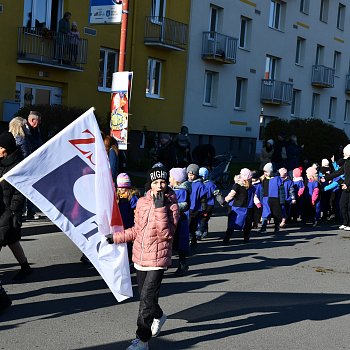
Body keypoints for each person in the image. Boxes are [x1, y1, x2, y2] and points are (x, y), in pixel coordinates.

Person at [107, 167, 179, 350]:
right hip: (140, 257)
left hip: (158, 259)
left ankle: (142, 340)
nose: (159, 186)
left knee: (146, 299)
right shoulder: (141, 202)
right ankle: (160, 316)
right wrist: (115, 238)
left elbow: (167, 235)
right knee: (146, 297)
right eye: (155, 182)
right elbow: (137, 230)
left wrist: (160, 208)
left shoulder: (171, 204)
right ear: (150, 184)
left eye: (163, 182)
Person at [0, 132, 32, 281]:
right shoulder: (2, 161)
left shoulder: (17, 166)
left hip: (8, 211)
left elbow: (20, 192)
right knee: (12, 240)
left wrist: (13, 211)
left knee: (3, 239)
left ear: (6, 148)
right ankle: (25, 267)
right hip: (1, 208)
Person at [223, 168, 258, 243]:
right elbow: (231, 194)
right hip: (237, 207)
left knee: (247, 225)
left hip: (248, 208)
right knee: (232, 224)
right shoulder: (237, 185)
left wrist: (257, 203)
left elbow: (254, 196)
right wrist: (225, 200)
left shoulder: (252, 187)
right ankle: (226, 238)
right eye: (248, 179)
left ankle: (246, 238)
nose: (248, 180)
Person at [169, 167, 191, 276]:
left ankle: (182, 265)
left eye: (171, 177)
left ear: (176, 179)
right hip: (177, 220)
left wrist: (171, 207)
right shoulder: (175, 189)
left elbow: (184, 205)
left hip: (180, 220)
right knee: (175, 242)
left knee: (179, 242)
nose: (169, 179)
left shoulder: (180, 191)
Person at [116, 173, 139, 264]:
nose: (122, 190)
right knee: (119, 242)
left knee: (128, 243)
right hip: (119, 224)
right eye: (120, 188)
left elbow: (136, 210)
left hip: (129, 224)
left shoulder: (132, 198)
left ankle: (129, 259)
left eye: (125, 188)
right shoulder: (116, 197)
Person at [24, 111, 43, 219]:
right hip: (27, 163)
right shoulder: (24, 131)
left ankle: (30, 210)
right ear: (32, 120)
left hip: (34, 162)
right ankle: (26, 211)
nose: (39, 124)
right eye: (38, 122)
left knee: (32, 188)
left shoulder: (36, 130)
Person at [186, 164, 208, 249]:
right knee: (186, 225)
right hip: (187, 207)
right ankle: (189, 239)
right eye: (189, 175)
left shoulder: (200, 185)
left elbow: (203, 198)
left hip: (195, 209)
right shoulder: (186, 183)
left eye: (192, 175)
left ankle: (193, 240)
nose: (190, 177)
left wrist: (204, 208)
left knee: (192, 226)